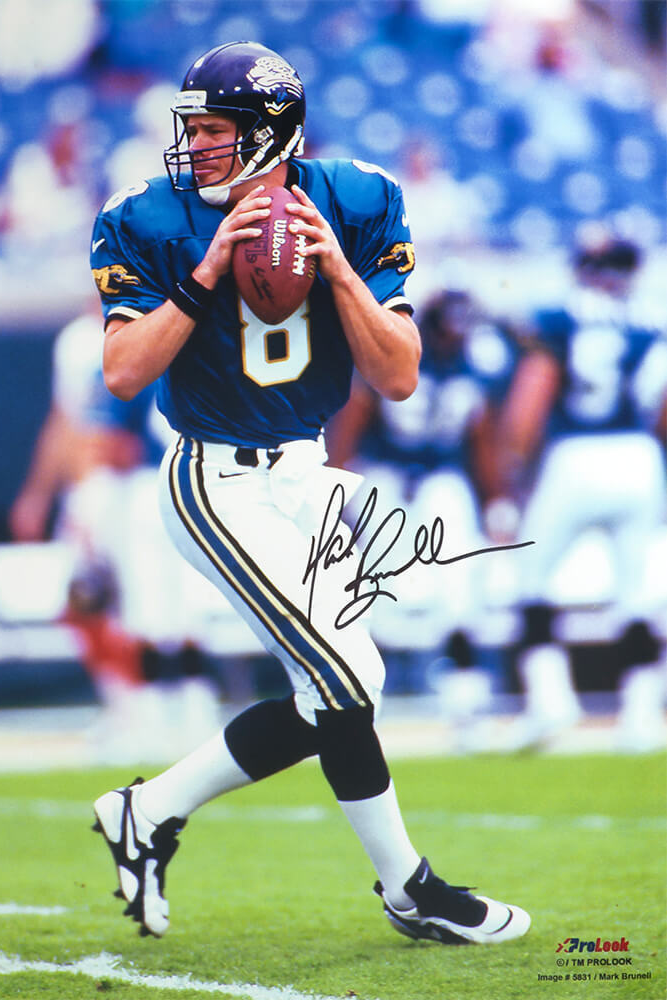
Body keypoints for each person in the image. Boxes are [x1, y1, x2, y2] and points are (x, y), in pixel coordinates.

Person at [89, 41, 530, 945]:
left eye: (214, 129)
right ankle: (410, 889)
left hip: (306, 470)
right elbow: (124, 372)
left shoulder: (356, 200)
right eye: (192, 129)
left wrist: (336, 272)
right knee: (343, 678)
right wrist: (206, 273)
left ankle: (149, 808)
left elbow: (397, 376)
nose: (195, 145)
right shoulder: (146, 216)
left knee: (347, 683)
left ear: (269, 132)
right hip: (214, 475)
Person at [326, 289, 521, 750]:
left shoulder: (471, 369)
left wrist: (496, 500)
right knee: (371, 595)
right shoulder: (395, 357)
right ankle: (362, 710)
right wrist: (335, 493)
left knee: (460, 594)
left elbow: (481, 438)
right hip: (386, 477)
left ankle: (464, 707)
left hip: (440, 482)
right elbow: (352, 423)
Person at [498, 237, 667, 752]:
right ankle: (639, 716)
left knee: (530, 578)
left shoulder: (561, 316)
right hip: (639, 455)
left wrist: (514, 472)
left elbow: (533, 394)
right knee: (636, 592)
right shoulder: (649, 319)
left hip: (575, 455)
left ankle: (551, 701)